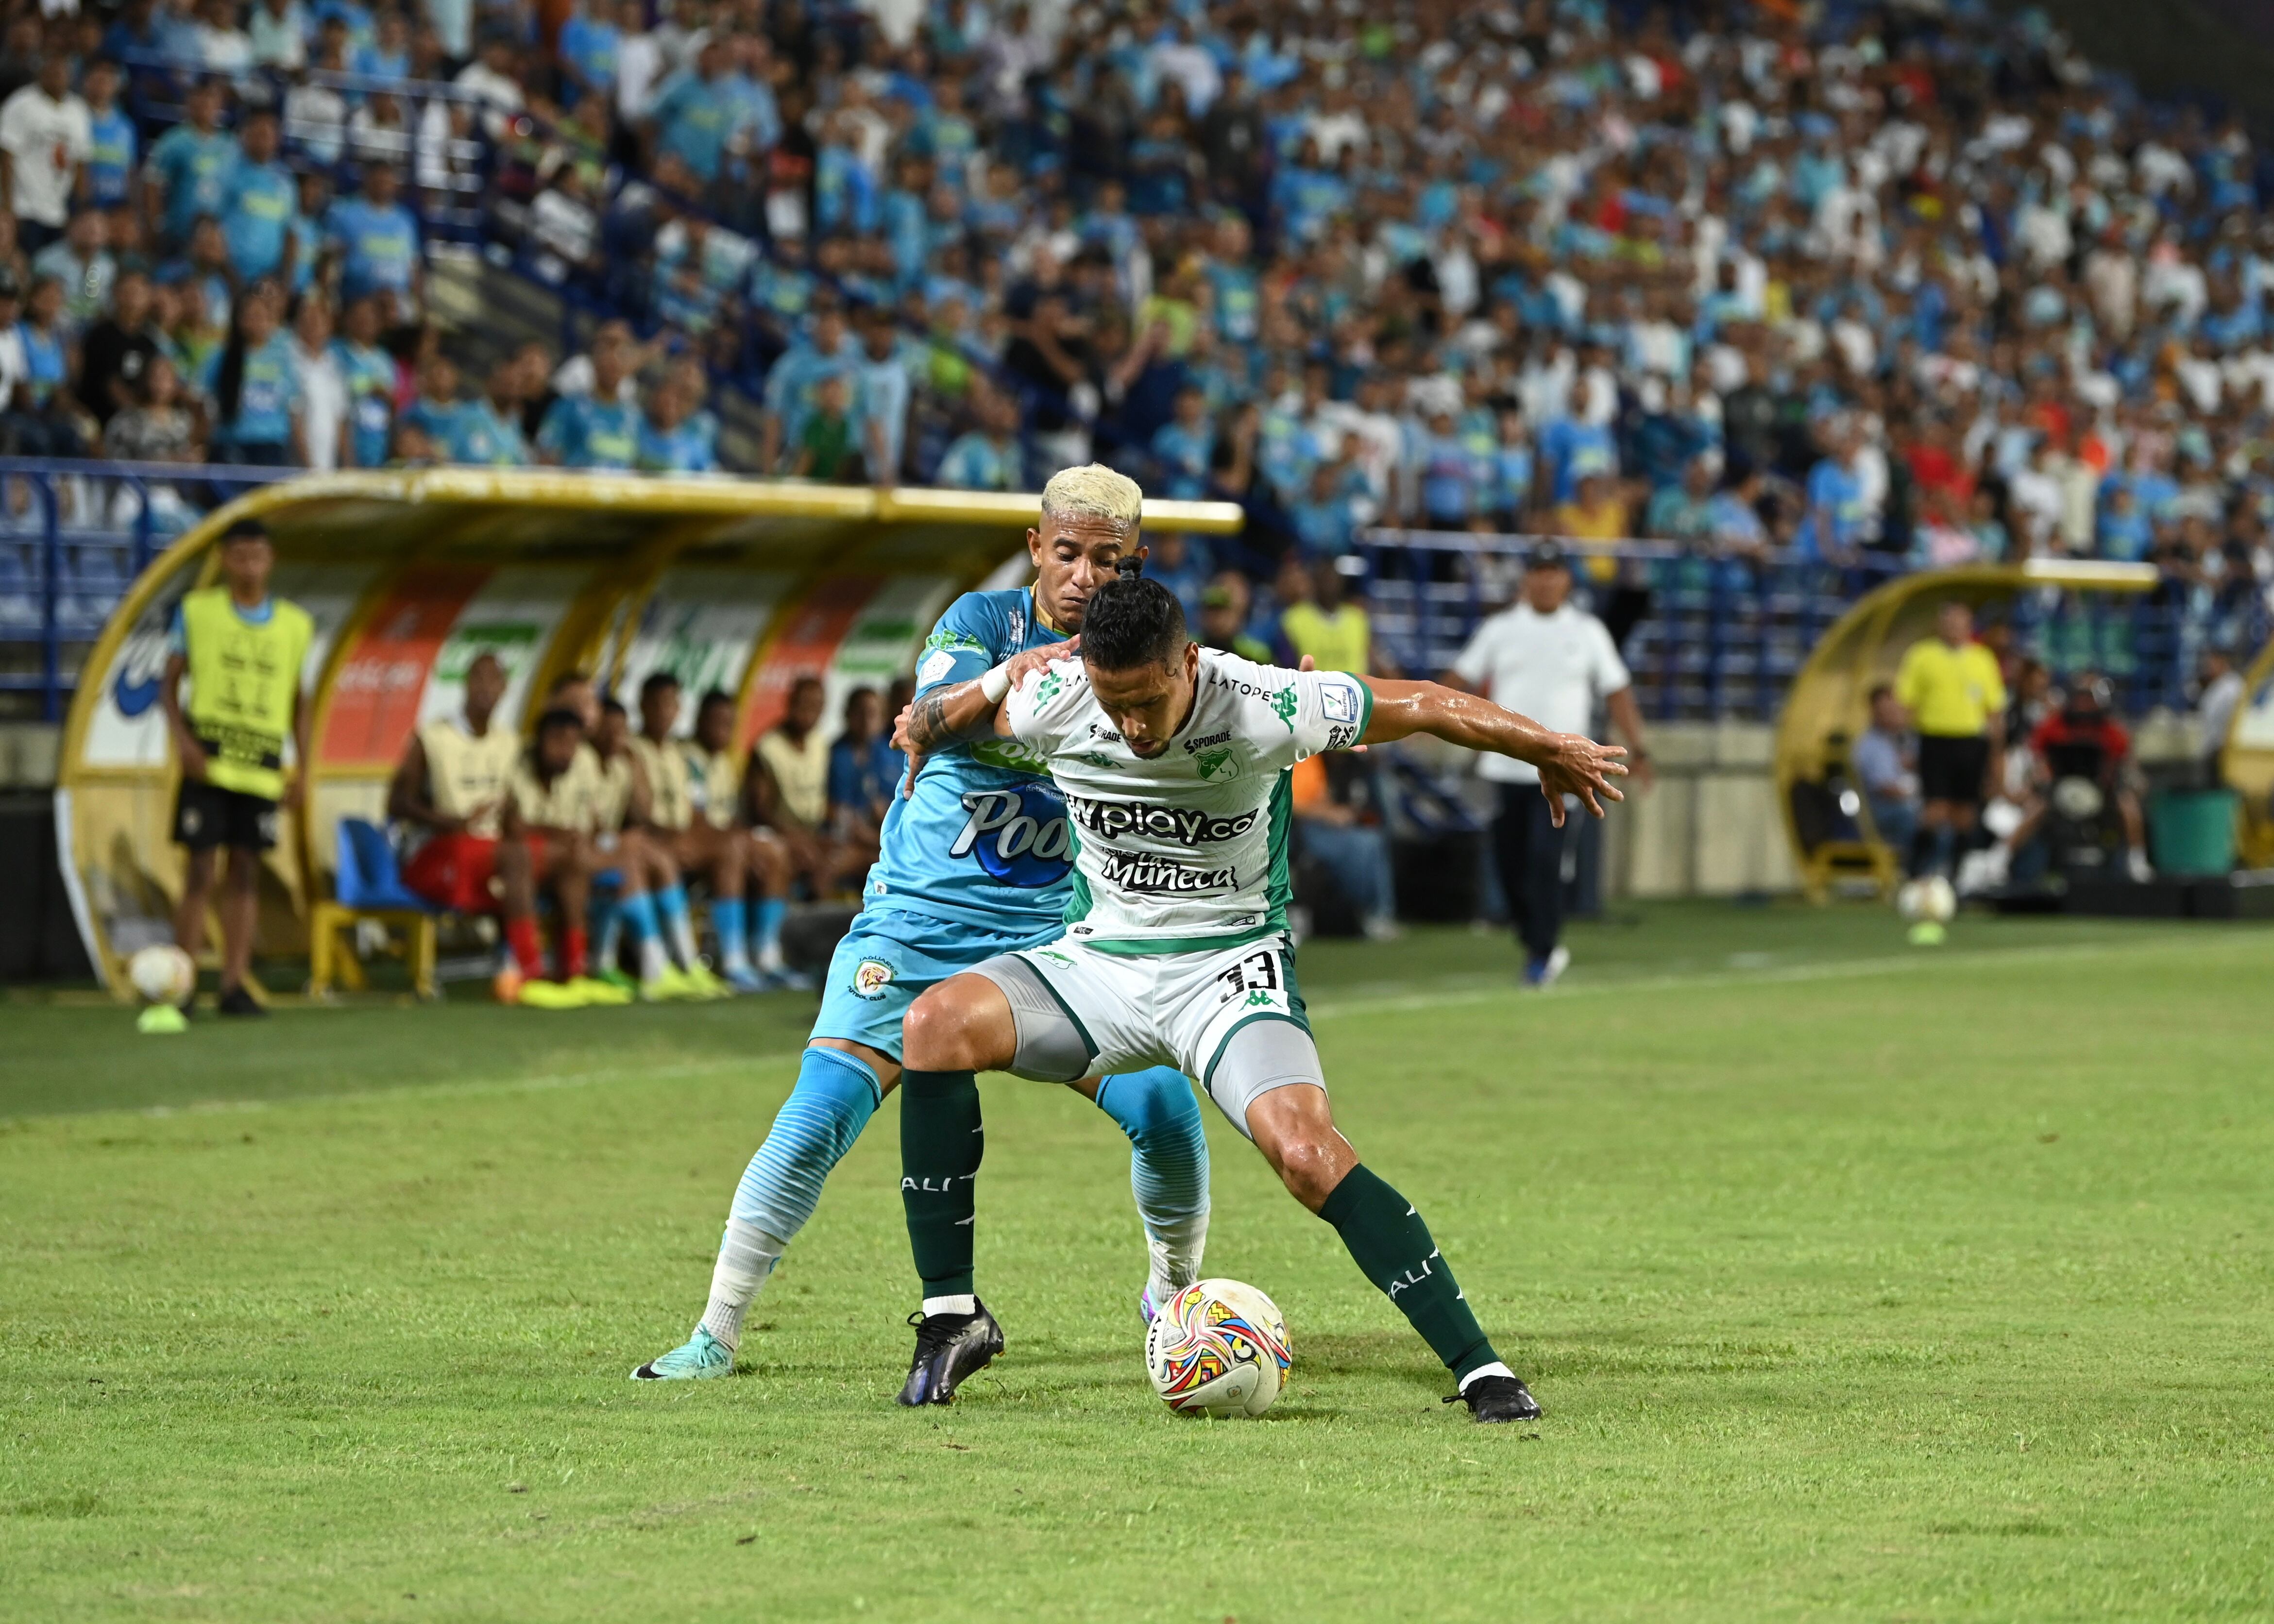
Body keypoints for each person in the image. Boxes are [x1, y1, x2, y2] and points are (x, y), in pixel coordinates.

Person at [892, 564, 1626, 1422]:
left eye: (1146, 702)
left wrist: (1543, 743)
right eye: (1111, 700)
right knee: (933, 1023)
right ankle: (952, 1317)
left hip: (1227, 969)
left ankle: (1480, 1366)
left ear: (1189, 664)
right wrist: (961, 699)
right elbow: (931, 721)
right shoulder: (1057, 690)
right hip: (1099, 966)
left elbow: (1426, 700)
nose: (1130, 726)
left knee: (1308, 1154)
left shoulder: (1264, 702)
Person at [630, 466, 1212, 1395]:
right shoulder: (980, 623)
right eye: (1066, 553)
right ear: (1036, 546)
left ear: (1131, 564)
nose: (1083, 576)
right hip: (917, 926)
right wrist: (1001, 679)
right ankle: (714, 1331)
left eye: (1107, 560)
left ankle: (1174, 1304)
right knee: (818, 1114)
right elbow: (924, 722)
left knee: (1167, 1111)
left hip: (1052, 939)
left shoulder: (1142, 652)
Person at [1445, 541, 1653, 986]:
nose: (1546, 579)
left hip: (1562, 771)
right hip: (1505, 766)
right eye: (1539, 571)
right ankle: (1535, 939)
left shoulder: (1587, 631)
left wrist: (1640, 748)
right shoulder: (1500, 629)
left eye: (1554, 571)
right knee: (1509, 863)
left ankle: (1542, 951)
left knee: (1545, 860)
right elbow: (1457, 681)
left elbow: (1617, 690)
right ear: (1527, 579)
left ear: (1567, 579)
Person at [160, 518, 312, 1017]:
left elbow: (298, 699)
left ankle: (233, 984)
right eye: (240, 553)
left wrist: (305, 768)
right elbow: (170, 683)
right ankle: (180, 984)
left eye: (259, 553)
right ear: (225, 559)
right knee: (200, 869)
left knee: (245, 871)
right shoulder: (197, 612)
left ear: (271, 560)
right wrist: (183, 740)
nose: (249, 562)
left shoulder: (294, 624)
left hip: (262, 769)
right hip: (210, 763)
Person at [494, 705, 631, 1010]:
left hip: (562, 862)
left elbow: (590, 826)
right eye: (556, 740)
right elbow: (514, 827)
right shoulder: (517, 766)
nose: (564, 751)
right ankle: (530, 971)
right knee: (522, 856)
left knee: (579, 863)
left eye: (572, 743)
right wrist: (558, 834)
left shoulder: (583, 768)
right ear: (539, 740)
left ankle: (575, 970)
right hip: (514, 862)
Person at [1892, 600, 2006, 911]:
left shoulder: (1982, 659)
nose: (1955, 628)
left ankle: (1957, 881)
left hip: (1971, 742)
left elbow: (1993, 711)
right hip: (1935, 739)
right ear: (1940, 625)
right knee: (1935, 810)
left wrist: (1997, 759)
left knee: (1965, 815)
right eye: (1950, 622)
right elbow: (1906, 703)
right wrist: (1905, 745)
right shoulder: (1922, 656)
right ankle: (1913, 873)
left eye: (1961, 622)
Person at [390, 649, 518, 914]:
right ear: (466, 683)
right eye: (478, 678)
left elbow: (512, 805)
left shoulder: (510, 742)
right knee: (507, 862)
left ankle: (516, 952)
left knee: (530, 858)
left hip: (491, 846)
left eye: (495, 680)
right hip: (441, 845)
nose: (486, 687)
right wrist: (453, 823)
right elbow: (398, 803)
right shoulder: (432, 737)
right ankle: (519, 951)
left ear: (505, 688)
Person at [1853, 682, 1919, 857]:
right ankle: (1906, 869)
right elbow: (1885, 788)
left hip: (1913, 799)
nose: (1893, 715)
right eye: (1886, 711)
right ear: (1875, 713)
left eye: (1896, 709)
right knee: (1911, 815)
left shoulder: (1912, 739)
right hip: (1880, 807)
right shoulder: (1870, 745)